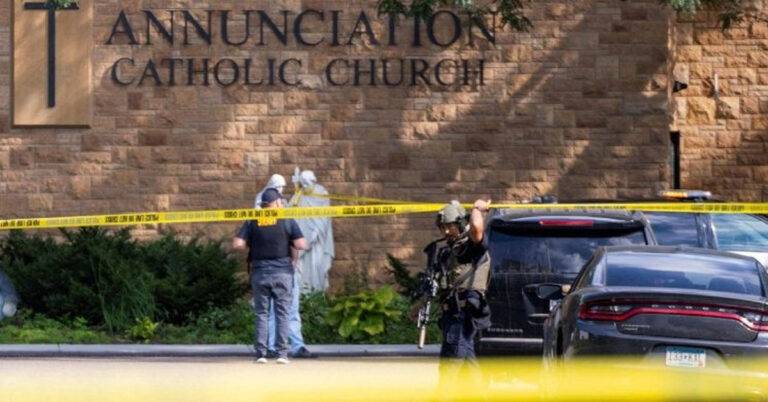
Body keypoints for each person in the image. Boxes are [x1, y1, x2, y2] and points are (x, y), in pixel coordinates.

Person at [233, 188, 307, 364]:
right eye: (281, 202)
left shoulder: (253, 220)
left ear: (264, 204)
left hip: (260, 273)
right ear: (277, 203)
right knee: (282, 313)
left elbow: (237, 244)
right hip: (282, 273)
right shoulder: (287, 220)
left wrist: (253, 242)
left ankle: (261, 353)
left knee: (261, 313)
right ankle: (282, 353)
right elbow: (301, 244)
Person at [422, 199, 492, 360]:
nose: (445, 232)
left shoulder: (471, 245)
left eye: (449, 226)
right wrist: (420, 305)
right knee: (467, 362)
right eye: (442, 227)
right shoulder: (449, 251)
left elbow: (476, 228)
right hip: (451, 314)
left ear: (460, 223)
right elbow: (438, 283)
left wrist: (476, 209)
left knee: (451, 363)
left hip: (463, 313)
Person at [289, 169, 334, 291]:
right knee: (302, 269)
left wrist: (317, 231)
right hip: (302, 238)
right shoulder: (299, 194)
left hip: (318, 239)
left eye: (307, 184)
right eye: (303, 184)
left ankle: (317, 293)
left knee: (317, 267)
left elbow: (325, 216)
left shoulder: (321, 193)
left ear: (313, 181)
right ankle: (303, 295)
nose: (305, 187)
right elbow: (290, 212)